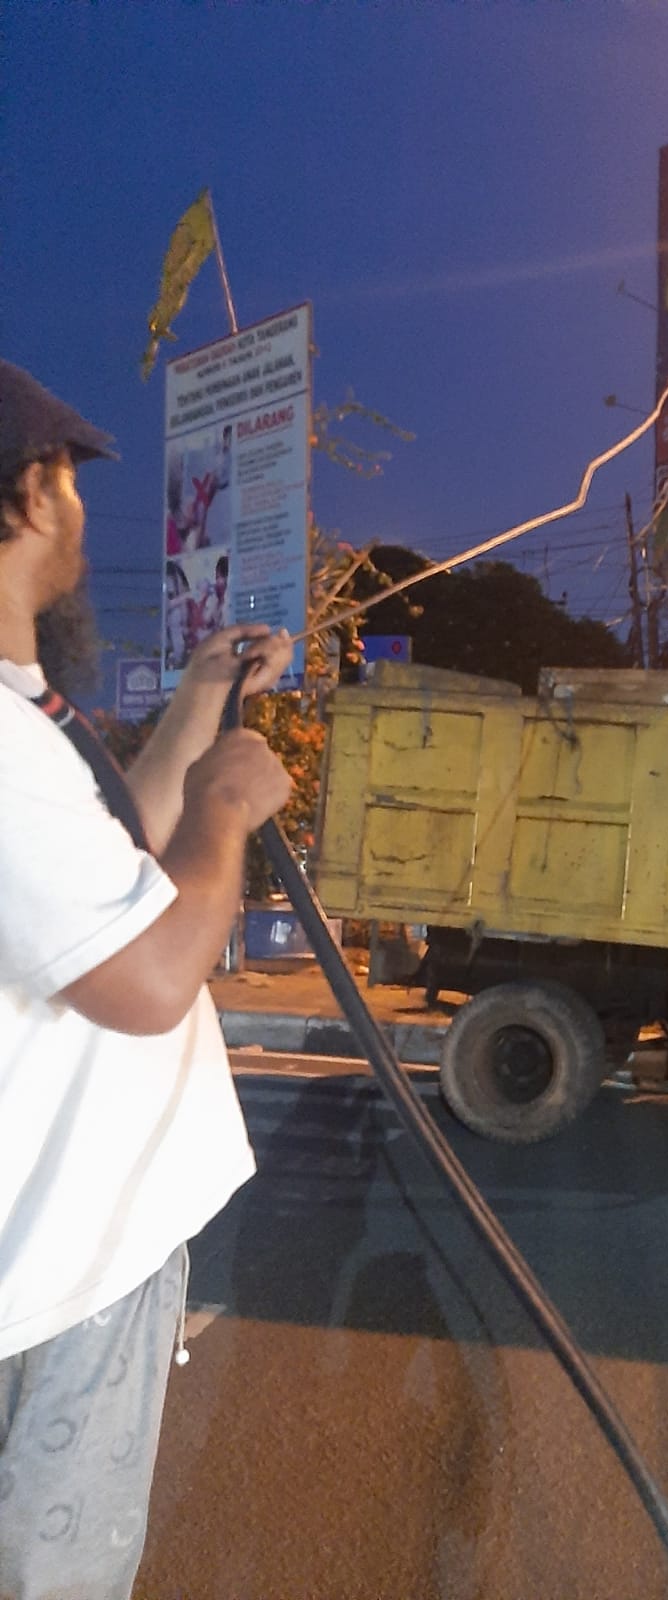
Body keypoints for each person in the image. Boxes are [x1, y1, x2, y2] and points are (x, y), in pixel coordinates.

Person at [0, 358, 294, 1600]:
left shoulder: (24, 717)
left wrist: (198, 705)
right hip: (56, 1270)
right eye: (65, 476)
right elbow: (150, 973)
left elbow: (122, 855)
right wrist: (230, 806)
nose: (77, 505)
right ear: (29, 489)